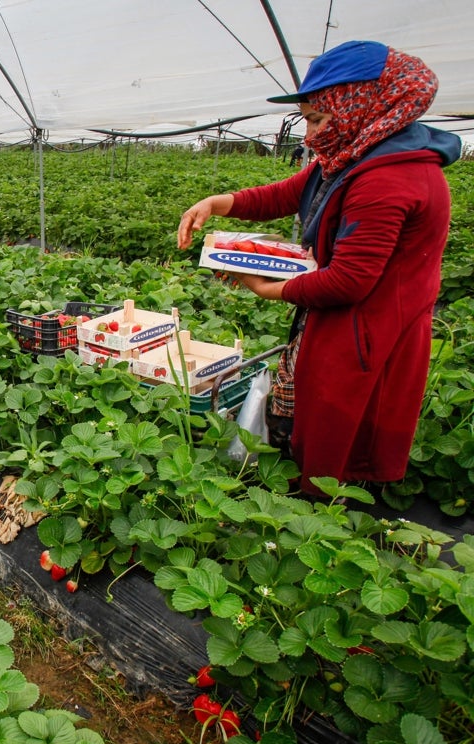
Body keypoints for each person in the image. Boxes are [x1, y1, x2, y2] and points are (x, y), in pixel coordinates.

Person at [176, 40, 461, 493]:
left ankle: (319, 518)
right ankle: (301, 494)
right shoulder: (356, 155)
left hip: (368, 329)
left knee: (339, 434)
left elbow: (349, 281)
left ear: (361, 105)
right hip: (342, 321)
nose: (309, 135)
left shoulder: (389, 177)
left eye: (317, 118)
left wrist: (267, 288)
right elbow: (289, 192)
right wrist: (218, 203)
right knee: (308, 412)